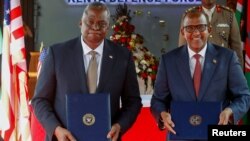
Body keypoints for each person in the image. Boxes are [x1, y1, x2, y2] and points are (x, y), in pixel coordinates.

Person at [31, 2, 142, 141]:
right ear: (80, 23)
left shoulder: (123, 56)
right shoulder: (57, 54)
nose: (95, 27)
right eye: (90, 22)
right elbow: (40, 100)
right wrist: (56, 129)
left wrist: (120, 126)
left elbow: (133, 101)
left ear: (107, 27)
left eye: (101, 23)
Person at [150, 8, 250, 139]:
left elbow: (244, 97)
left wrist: (230, 111)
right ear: (182, 31)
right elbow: (158, 100)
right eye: (189, 28)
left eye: (200, 27)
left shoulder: (228, 58)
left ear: (209, 29)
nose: (196, 32)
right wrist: (162, 114)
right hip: (180, 136)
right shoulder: (168, 61)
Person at [178, 0, 243, 66]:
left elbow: (237, 50)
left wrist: (238, 73)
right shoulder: (189, 15)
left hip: (222, 69)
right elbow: (182, 49)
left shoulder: (229, 15)